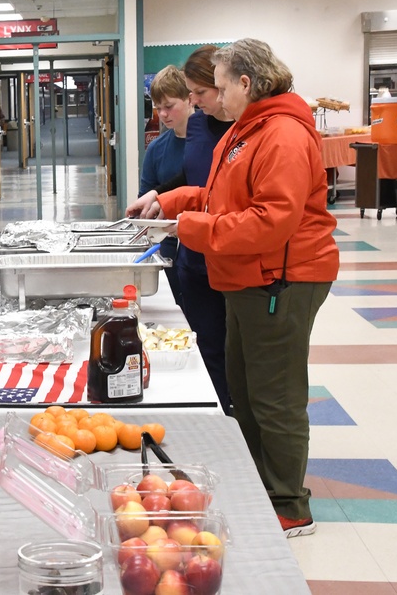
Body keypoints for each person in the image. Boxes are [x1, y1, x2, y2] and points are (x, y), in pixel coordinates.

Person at [137, 39, 339, 538]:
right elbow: (217, 196)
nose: (215, 98)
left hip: (281, 279)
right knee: (245, 391)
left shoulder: (283, 135)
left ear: (246, 83)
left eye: (219, 87)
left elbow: (269, 222)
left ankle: (290, 504)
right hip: (249, 278)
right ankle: (257, 483)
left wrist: (188, 227)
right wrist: (170, 201)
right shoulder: (246, 131)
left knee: (275, 395)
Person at [128, 45, 234, 413]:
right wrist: (162, 197)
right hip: (191, 255)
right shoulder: (192, 134)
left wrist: (182, 216)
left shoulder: (241, 132)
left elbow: (231, 201)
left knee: (229, 353)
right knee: (205, 343)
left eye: (197, 95)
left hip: (227, 256)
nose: (164, 114)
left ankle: (230, 416)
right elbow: (198, 186)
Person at [138, 65, 193, 305]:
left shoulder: (211, 144)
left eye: (169, 106)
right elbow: (146, 204)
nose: (163, 114)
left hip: (204, 249)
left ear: (190, 99)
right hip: (168, 247)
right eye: (158, 108)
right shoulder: (156, 149)